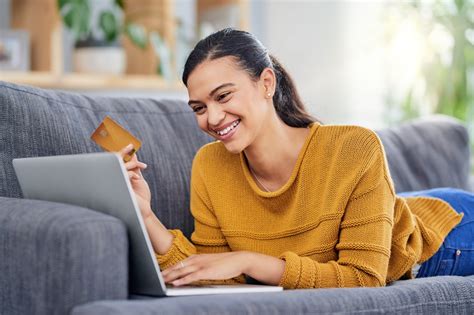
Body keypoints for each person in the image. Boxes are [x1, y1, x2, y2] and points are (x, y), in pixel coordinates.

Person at [118, 28, 474, 289]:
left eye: (223, 96)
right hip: (381, 212)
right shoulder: (209, 165)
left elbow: (364, 278)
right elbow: (214, 274)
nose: (211, 119)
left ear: (266, 83)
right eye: (199, 107)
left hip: (444, 235)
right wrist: (145, 215)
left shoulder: (355, 147)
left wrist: (251, 261)